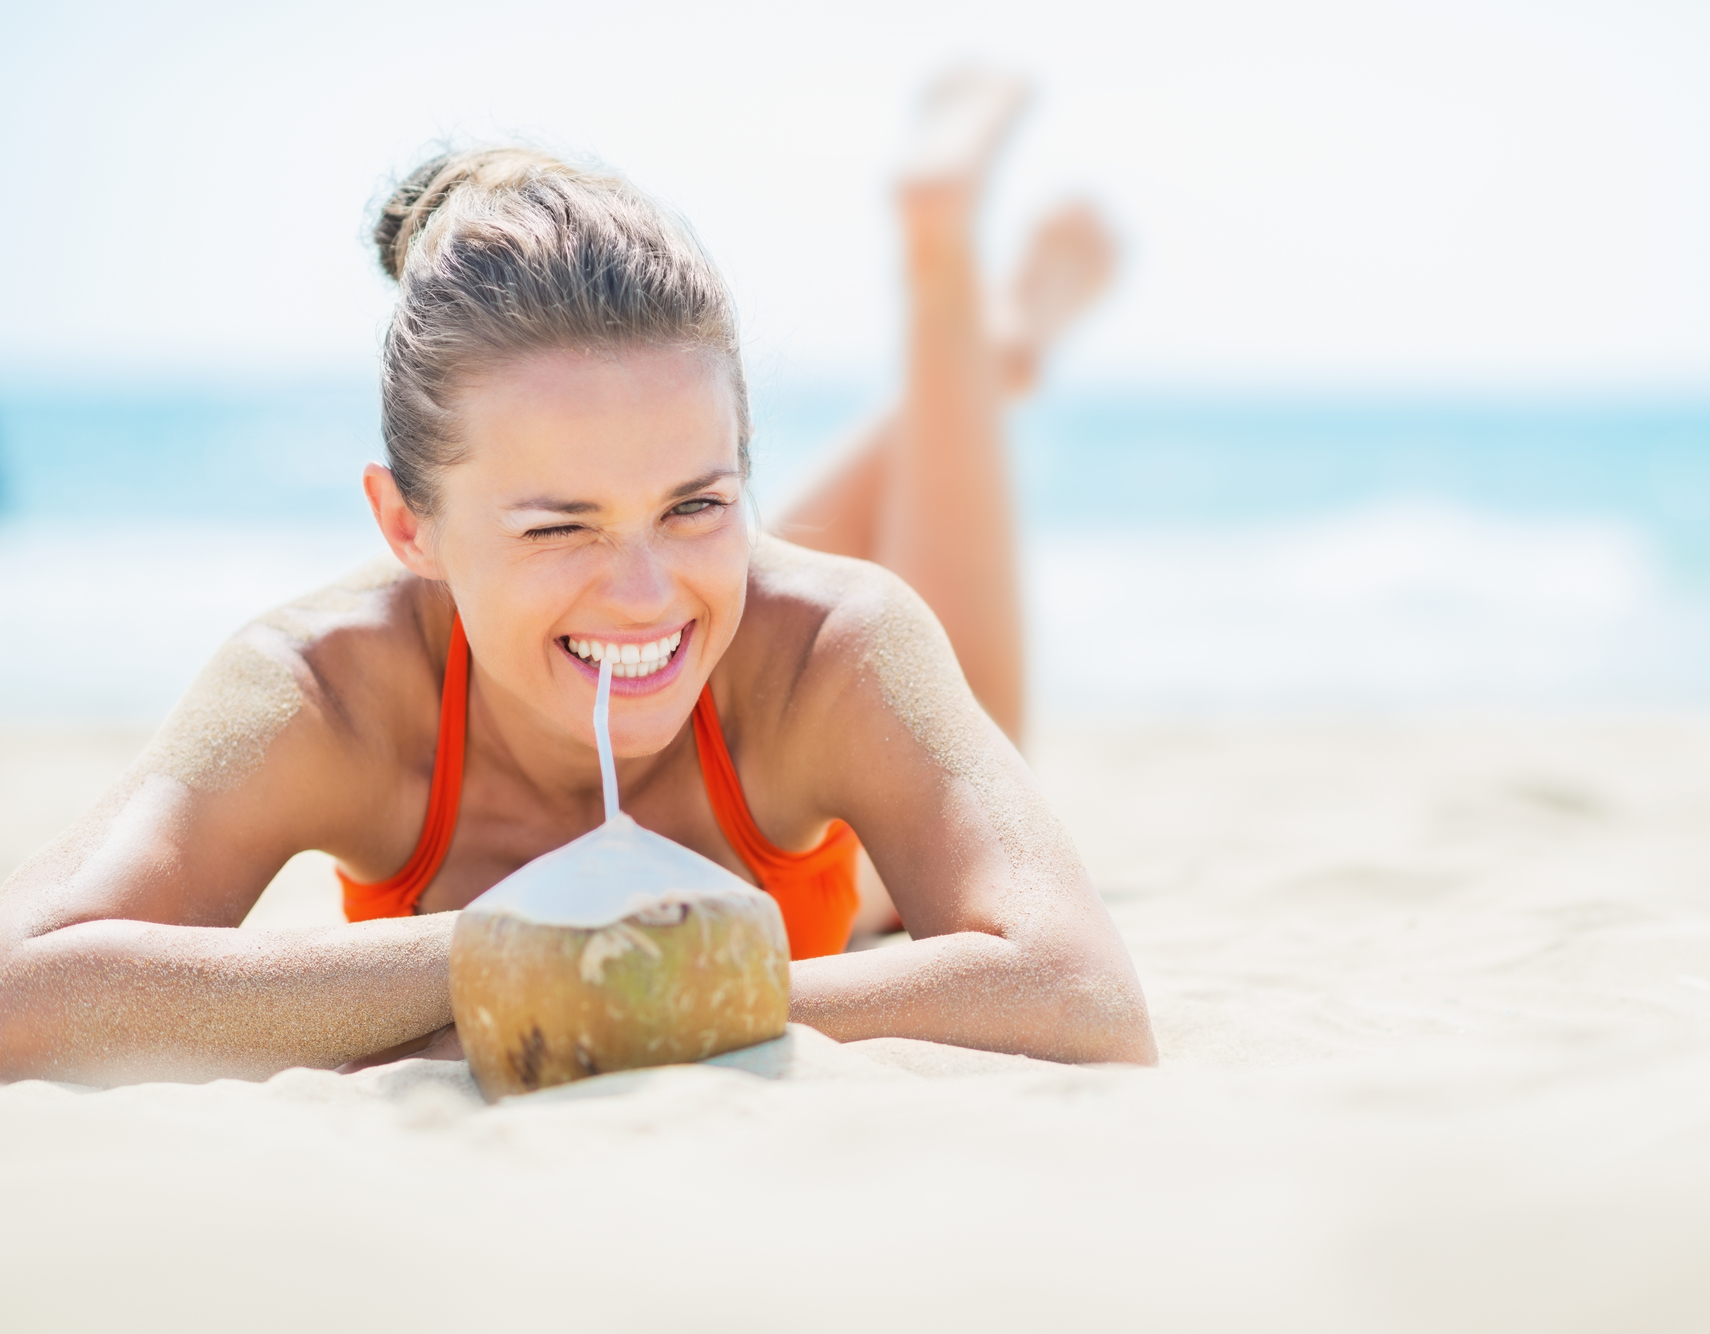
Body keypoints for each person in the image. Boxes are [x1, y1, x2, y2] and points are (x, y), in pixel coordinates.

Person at [0, 75, 1154, 1085]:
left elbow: (1083, 994)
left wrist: (597, 995)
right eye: (560, 526)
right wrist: (513, 947)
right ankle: (963, 324)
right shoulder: (323, 689)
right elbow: (17, 987)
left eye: (698, 501)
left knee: (912, 681)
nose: (645, 590)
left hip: (849, 867)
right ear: (408, 524)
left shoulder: (828, 645)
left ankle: (947, 294)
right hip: (782, 871)